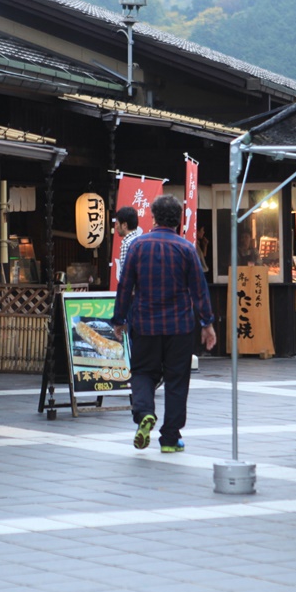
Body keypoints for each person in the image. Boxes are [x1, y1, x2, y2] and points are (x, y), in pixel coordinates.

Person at [112, 194, 216, 453]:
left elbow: (125, 286)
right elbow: (199, 290)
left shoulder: (138, 246)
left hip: (145, 323)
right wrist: (207, 323)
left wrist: (119, 319)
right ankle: (170, 438)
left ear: (154, 217)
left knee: (143, 372)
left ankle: (145, 413)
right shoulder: (186, 249)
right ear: (179, 220)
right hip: (179, 326)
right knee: (177, 380)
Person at [113, 205, 142, 284]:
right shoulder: (141, 241)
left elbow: (125, 274)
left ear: (124, 225)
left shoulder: (127, 244)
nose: (116, 227)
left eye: (117, 224)